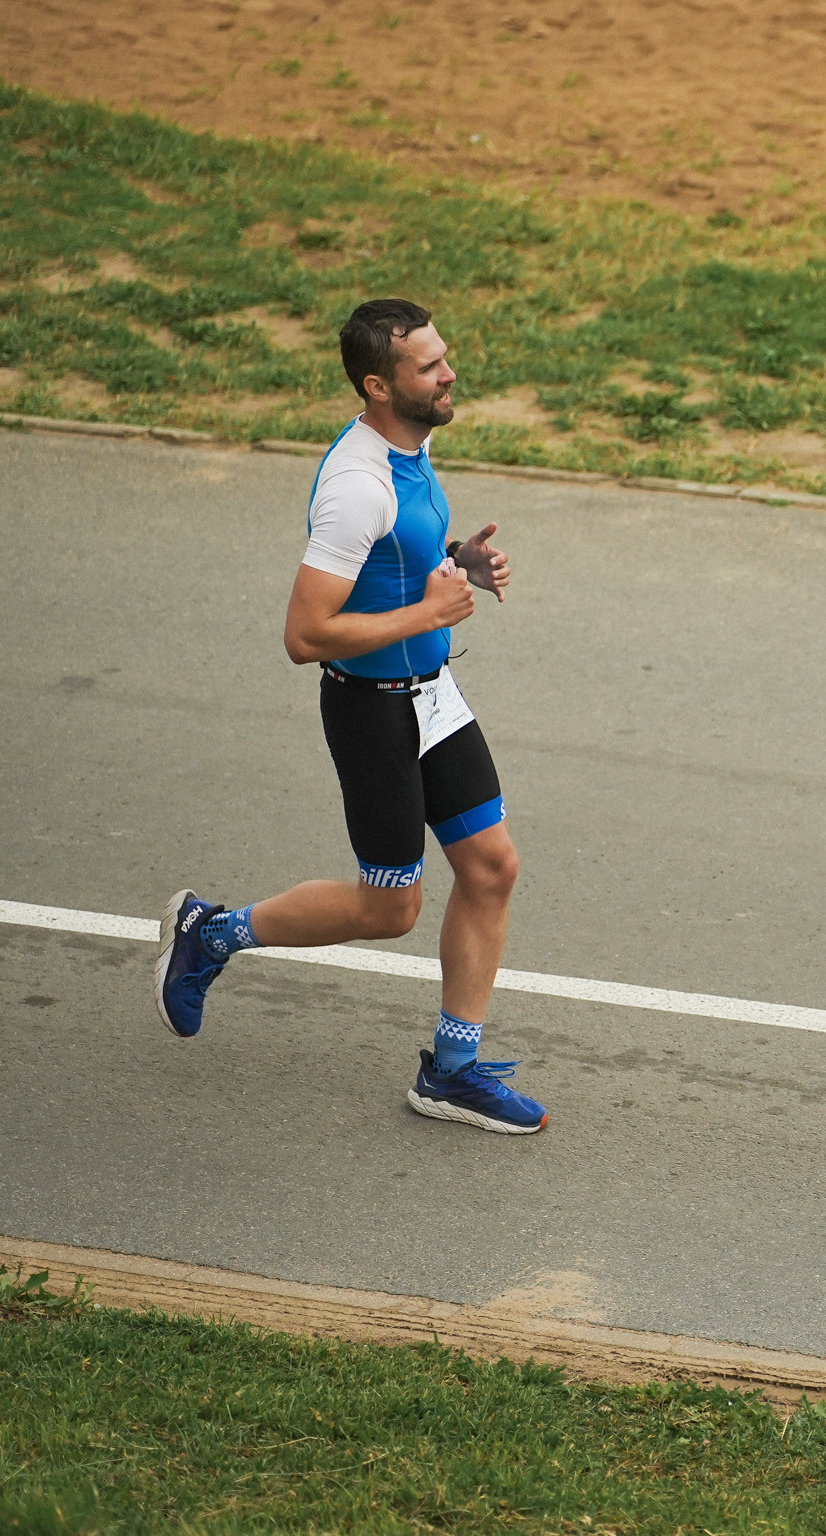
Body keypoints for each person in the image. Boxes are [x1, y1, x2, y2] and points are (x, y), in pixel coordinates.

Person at [153, 298, 546, 1135]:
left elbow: (395, 565)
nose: (449, 375)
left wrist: (452, 563)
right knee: (388, 909)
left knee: (491, 868)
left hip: (432, 695)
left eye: (444, 357)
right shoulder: (356, 487)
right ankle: (212, 934)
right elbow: (304, 635)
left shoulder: (412, 440)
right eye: (429, 367)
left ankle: (453, 1070)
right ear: (378, 385)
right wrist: (429, 613)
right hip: (371, 709)